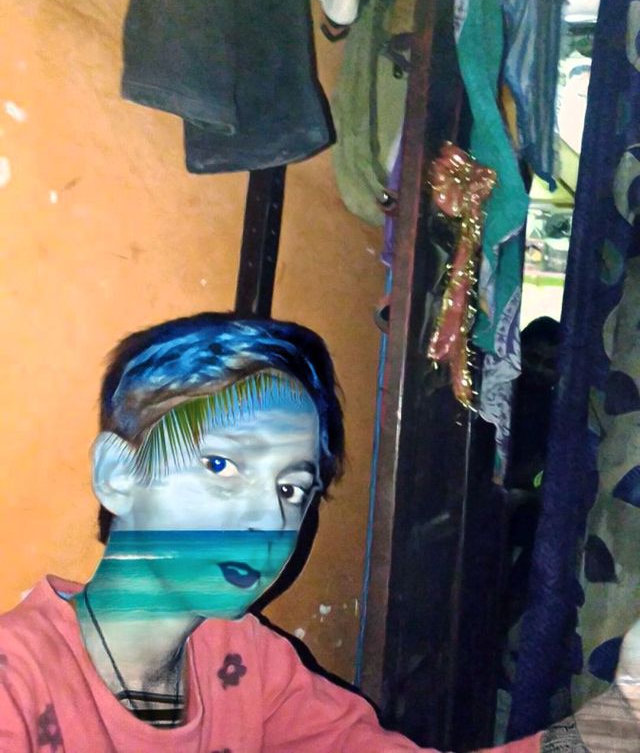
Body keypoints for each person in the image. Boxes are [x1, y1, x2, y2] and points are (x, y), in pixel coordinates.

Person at [0, 313, 635, 752]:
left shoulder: (245, 660)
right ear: (118, 474)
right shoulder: (17, 685)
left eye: (290, 489)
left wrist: (622, 716)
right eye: (221, 466)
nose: (268, 520)